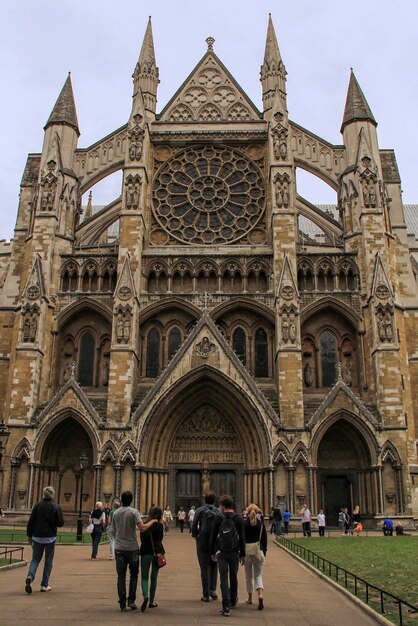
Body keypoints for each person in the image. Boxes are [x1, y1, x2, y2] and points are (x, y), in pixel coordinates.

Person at [112, 490, 157, 611]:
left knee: (120, 576)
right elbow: (142, 528)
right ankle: (131, 601)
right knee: (134, 574)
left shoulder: (115, 513)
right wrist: (152, 521)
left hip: (119, 548)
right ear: (131, 500)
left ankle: (122, 602)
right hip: (132, 548)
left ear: (121, 499)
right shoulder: (134, 512)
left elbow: (113, 531)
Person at [210, 495, 246, 617]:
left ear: (223, 506)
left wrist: (212, 552)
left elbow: (213, 537)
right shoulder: (238, 519)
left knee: (223, 578)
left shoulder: (218, 519)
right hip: (234, 552)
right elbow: (242, 537)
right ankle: (233, 599)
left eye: (220, 505)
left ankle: (225, 605)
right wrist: (243, 554)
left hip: (222, 552)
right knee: (233, 575)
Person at [25, 486, 64, 594]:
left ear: (43, 494)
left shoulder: (37, 506)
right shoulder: (55, 506)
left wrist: (29, 535)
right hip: (50, 538)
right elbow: (60, 523)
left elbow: (31, 521)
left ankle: (30, 576)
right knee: (48, 561)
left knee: (35, 559)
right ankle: (44, 585)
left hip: (37, 536)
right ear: (53, 495)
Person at [192, 491, 223, 602]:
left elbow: (194, 526)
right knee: (214, 565)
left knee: (204, 568)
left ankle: (205, 595)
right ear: (215, 500)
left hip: (203, 542)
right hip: (215, 543)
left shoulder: (199, 511)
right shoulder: (219, 512)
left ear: (205, 499)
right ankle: (212, 590)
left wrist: (196, 537)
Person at [139, 506, 165, 612]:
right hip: (157, 553)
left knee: (144, 577)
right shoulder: (159, 526)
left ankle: (145, 595)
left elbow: (141, 538)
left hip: (145, 552)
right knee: (154, 578)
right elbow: (160, 538)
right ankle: (151, 601)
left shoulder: (145, 524)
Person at [243, 503, 267, 611]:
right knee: (258, 575)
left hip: (248, 552)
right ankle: (260, 595)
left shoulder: (245, 524)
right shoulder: (261, 524)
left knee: (248, 576)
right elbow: (265, 540)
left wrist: (241, 553)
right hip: (259, 552)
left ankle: (250, 598)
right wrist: (264, 552)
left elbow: (242, 539)